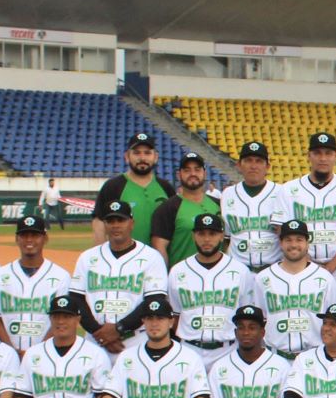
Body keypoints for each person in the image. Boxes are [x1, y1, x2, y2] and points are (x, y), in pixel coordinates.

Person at [69, 200, 169, 356]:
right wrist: (99, 333)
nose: (115, 225)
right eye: (110, 221)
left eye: (120, 220)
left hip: (134, 342)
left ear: (131, 223)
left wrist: (119, 329)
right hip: (95, 341)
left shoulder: (151, 257)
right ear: (104, 224)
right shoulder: (87, 258)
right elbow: (76, 299)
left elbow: (153, 301)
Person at [274, 131, 336, 278]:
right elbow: (282, 231)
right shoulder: (288, 190)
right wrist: (309, 266)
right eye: (317, 153)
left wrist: (330, 267)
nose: (323, 158)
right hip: (300, 267)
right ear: (309, 156)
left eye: (328, 153)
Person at [248, 219, 336, 359]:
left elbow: (334, 323)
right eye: (288, 240)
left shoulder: (325, 279)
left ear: (307, 244)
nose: (294, 245)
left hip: (314, 357)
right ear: (281, 243)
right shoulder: (264, 278)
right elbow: (260, 320)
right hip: (275, 357)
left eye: (299, 239)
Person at [167, 213, 244, 368]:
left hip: (227, 350)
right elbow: (175, 316)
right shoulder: (178, 271)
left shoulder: (240, 271)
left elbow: (245, 315)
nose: (207, 239)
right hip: (189, 349)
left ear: (222, 236)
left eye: (212, 234)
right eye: (201, 234)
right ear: (194, 236)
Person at [0, 215, 71, 355]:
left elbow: (63, 321)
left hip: (47, 355)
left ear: (45, 238)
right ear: (16, 239)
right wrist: (12, 352)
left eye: (35, 235)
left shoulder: (61, 276)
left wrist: (37, 353)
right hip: (7, 355)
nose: (29, 240)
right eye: (24, 235)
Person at [93, 131, 175, 246]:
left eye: (147, 153)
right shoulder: (113, 186)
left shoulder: (166, 188)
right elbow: (99, 222)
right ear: (127, 156)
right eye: (136, 153)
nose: (142, 158)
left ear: (155, 157)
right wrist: (100, 254)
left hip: (158, 260)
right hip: (124, 258)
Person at [218, 142, 286, 273]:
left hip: (273, 269)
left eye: (259, 161)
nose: (253, 166)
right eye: (248, 160)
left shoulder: (281, 192)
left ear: (267, 167)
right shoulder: (228, 194)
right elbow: (227, 238)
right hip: (238, 271)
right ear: (239, 165)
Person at [149, 151, 222, 269]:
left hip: (218, 278)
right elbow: (159, 247)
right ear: (179, 175)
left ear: (205, 173)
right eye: (187, 170)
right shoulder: (167, 208)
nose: (192, 173)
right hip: (183, 281)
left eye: (197, 169)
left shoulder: (219, 205)